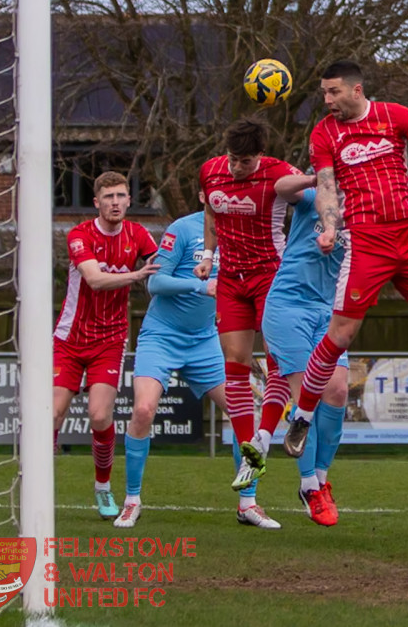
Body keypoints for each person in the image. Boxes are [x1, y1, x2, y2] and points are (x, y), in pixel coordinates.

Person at [282, 60, 408, 457]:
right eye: (324, 93)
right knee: (341, 335)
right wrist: (327, 225)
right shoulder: (325, 132)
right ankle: (302, 415)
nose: (327, 100)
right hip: (365, 241)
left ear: (356, 90)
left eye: (333, 92)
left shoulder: (395, 115)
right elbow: (325, 186)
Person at [116, 193, 279, 530]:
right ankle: (132, 500)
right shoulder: (183, 228)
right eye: (217, 188)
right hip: (161, 336)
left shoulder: (245, 231)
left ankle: (247, 503)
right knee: (144, 410)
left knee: (244, 411)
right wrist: (200, 285)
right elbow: (155, 282)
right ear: (205, 194)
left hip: (206, 341)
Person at [194, 117, 302, 503]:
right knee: (235, 362)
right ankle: (248, 452)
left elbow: (314, 196)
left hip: (270, 277)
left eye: (245, 161)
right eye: (233, 159)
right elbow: (211, 215)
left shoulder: (279, 173)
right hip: (230, 280)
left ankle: (263, 437)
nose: (237, 167)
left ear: (260, 155)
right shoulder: (211, 171)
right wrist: (208, 255)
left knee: (277, 361)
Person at [52, 171, 159, 519]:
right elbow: (96, 281)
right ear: (96, 202)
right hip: (69, 339)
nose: (115, 202)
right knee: (51, 413)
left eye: (121, 196)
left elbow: (160, 267)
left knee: (100, 416)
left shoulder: (138, 234)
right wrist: (137, 276)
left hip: (110, 340)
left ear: (129, 200)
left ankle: (102, 488)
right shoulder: (80, 235)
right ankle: (39, 478)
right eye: (108, 197)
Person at [261, 173, 347, 526]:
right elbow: (280, 189)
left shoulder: (361, 211)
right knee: (305, 396)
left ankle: (321, 479)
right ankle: (309, 486)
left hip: (329, 310)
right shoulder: (314, 197)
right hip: (288, 307)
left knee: (338, 391)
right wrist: (320, 174)